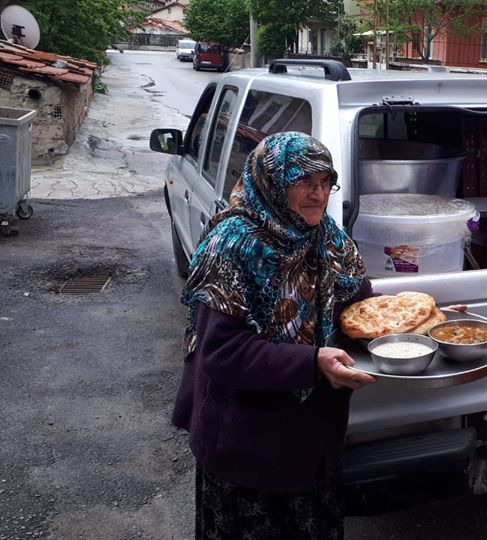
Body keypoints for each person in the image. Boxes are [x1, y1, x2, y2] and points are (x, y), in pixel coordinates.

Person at [171, 131, 376, 539]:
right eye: (305, 182)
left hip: (312, 443)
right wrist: (312, 362)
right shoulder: (233, 246)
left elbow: (358, 305)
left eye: (325, 183)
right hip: (248, 450)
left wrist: (416, 320)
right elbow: (222, 352)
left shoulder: (324, 236)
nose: (319, 195)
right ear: (273, 182)